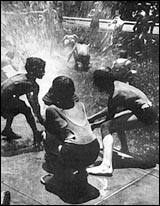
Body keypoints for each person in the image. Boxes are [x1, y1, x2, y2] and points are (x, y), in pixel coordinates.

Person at [86, 70, 157, 176]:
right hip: (147, 110)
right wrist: (91, 118)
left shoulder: (116, 94)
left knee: (105, 127)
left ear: (102, 82)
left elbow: (109, 118)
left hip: (146, 114)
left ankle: (106, 166)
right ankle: (125, 149)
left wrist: (94, 124)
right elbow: (111, 109)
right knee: (116, 122)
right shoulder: (117, 85)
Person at [40, 76, 100, 193]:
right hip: (94, 150)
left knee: (45, 137)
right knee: (76, 139)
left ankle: (57, 178)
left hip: (73, 153)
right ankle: (82, 172)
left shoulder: (51, 109)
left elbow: (50, 132)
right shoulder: (80, 105)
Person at [1, 57, 46, 145]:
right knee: (26, 109)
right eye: (41, 70)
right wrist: (41, 119)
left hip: (4, 100)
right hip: (3, 103)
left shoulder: (21, 76)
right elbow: (34, 104)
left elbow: (29, 97)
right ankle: (36, 133)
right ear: (33, 71)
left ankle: (7, 129)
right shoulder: (32, 85)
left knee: (16, 103)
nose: (44, 72)